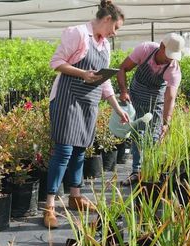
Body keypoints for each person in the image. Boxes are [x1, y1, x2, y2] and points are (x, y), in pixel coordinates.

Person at [44, 0, 129, 229]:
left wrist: (117, 108)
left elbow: (105, 82)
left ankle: (75, 197)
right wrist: (83, 73)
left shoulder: (105, 46)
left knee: (81, 150)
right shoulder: (78, 33)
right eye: (115, 28)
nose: (114, 33)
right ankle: (50, 205)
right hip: (67, 98)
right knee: (63, 151)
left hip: (89, 102)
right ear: (107, 19)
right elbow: (56, 62)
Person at [116, 33, 185, 186]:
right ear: (161, 46)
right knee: (137, 134)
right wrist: (123, 91)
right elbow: (122, 68)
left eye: (173, 56)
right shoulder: (145, 49)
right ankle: (136, 171)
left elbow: (170, 97)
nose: (170, 59)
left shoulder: (173, 68)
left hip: (156, 101)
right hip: (135, 96)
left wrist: (166, 122)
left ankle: (149, 172)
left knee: (154, 137)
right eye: (168, 54)